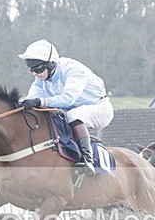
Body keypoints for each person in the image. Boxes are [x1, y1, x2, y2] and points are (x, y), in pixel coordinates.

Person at [18, 39, 114, 176]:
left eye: (37, 69)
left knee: (73, 115)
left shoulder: (73, 69)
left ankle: (88, 160)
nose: (35, 74)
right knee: (48, 114)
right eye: (31, 69)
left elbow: (68, 99)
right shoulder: (40, 79)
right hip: (72, 109)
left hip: (99, 108)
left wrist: (39, 101)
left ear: (51, 63)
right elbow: (31, 100)